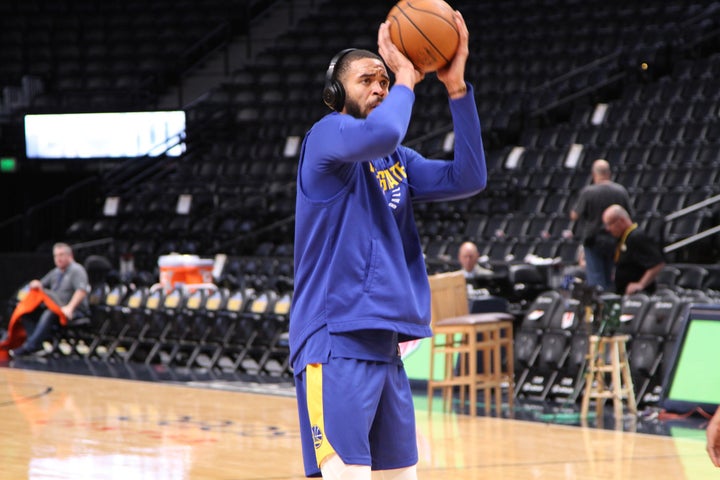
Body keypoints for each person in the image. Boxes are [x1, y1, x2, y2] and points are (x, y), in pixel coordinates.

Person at [290, 11, 486, 480]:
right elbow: (384, 130)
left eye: (384, 79)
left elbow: (470, 176)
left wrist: (456, 87)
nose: (380, 87)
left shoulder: (396, 159)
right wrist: (405, 78)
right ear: (336, 95)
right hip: (335, 337)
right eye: (366, 80)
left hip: (387, 343)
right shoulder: (325, 136)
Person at [10, 242, 90, 357]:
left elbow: (82, 291)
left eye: (61, 255)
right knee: (26, 312)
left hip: (75, 311)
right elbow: (41, 284)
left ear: (70, 255)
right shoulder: (56, 272)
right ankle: (36, 345)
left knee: (50, 313)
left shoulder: (77, 270)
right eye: (56, 256)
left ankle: (30, 347)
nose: (58, 258)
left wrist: (70, 308)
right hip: (57, 309)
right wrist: (36, 284)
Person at [570, 159, 631, 292]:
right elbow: (628, 215)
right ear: (608, 173)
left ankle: (599, 308)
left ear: (594, 174)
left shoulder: (589, 192)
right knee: (611, 277)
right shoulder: (620, 191)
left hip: (593, 241)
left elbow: (575, 215)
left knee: (596, 279)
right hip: (614, 241)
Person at [602, 204, 665, 295]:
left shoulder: (636, 237)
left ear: (621, 221)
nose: (608, 229)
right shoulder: (623, 238)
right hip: (622, 293)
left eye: (610, 224)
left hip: (637, 296)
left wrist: (641, 284)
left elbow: (657, 263)